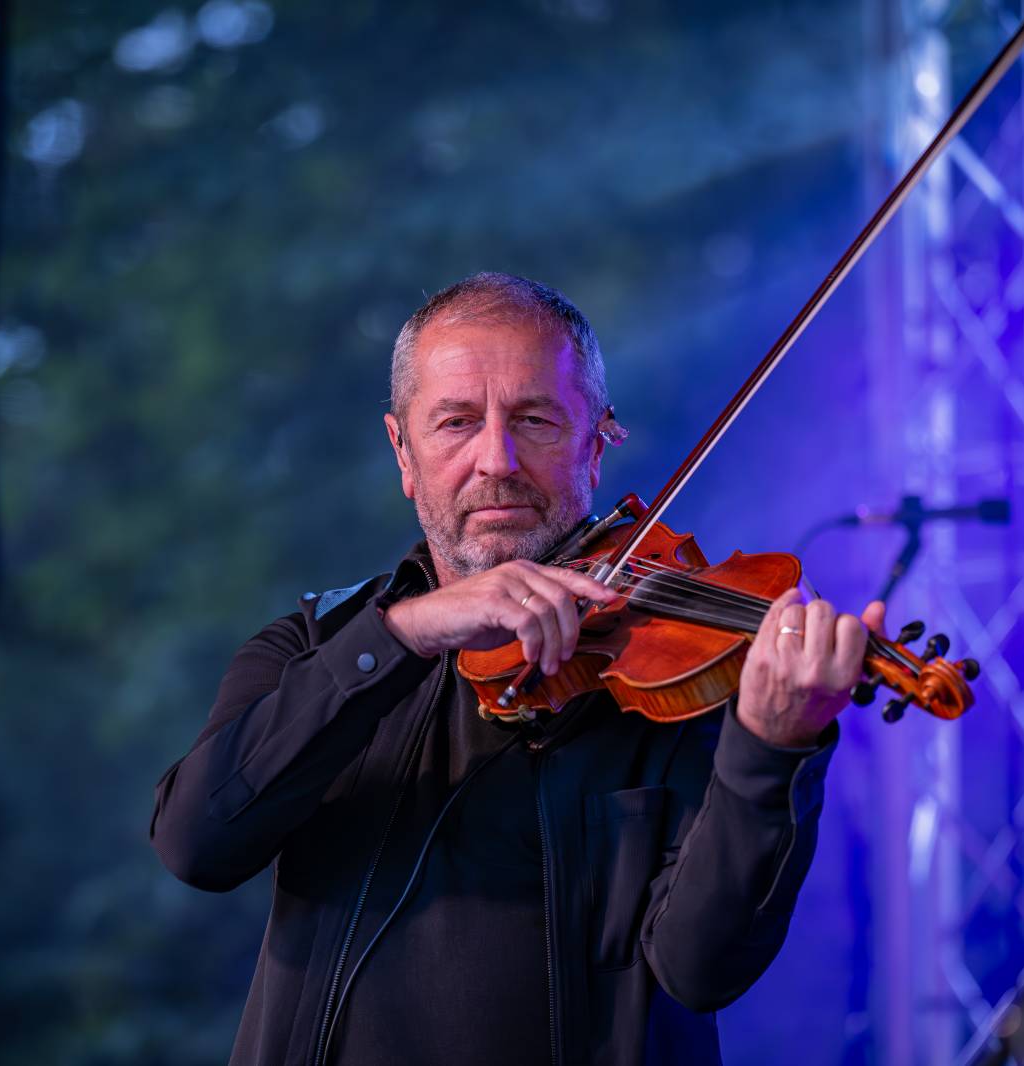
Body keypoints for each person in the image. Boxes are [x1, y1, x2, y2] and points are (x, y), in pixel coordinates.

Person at [150, 272, 884, 1065]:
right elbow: (198, 843)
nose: (495, 460)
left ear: (595, 446)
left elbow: (701, 967)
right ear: (403, 451)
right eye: (456, 422)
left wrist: (771, 747)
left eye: (534, 420)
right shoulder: (312, 645)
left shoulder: (675, 674)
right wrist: (405, 635)